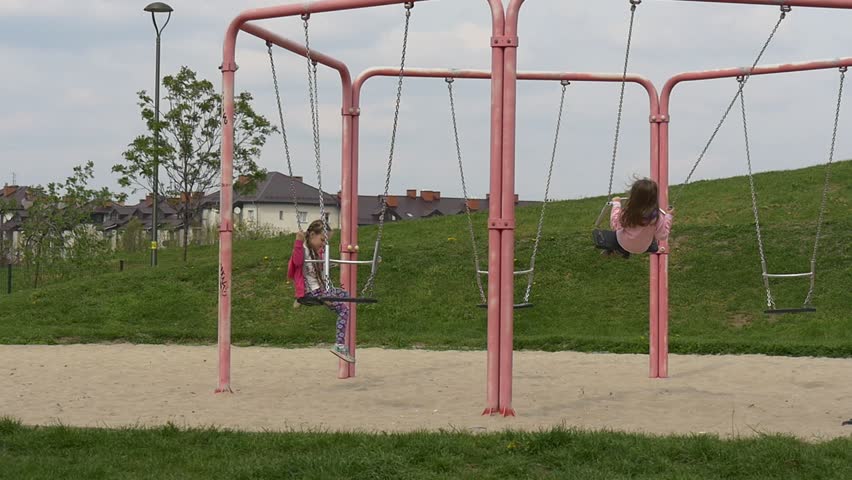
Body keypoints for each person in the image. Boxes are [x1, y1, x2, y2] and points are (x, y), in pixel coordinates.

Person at [287, 219, 355, 363]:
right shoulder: (303, 250)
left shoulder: (317, 252)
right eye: (322, 239)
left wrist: (331, 257)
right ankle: (339, 345)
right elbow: (297, 262)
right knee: (344, 310)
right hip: (313, 292)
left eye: (326, 241)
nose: (323, 243)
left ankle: (302, 298)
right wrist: (298, 242)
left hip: (321, 289)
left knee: (345, 295)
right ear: (312, 235)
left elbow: (325, 267)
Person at [602, 178, 673, 259]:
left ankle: (618, 250)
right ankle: (625, 250)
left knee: (618, 232)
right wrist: (668, 217)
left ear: (633, 196)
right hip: (642, 247)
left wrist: (616, 204)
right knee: (651, 236)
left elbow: (615, 225)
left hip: (623, 242)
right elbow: (661, 236)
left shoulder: (628, 212)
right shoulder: (657, 217)